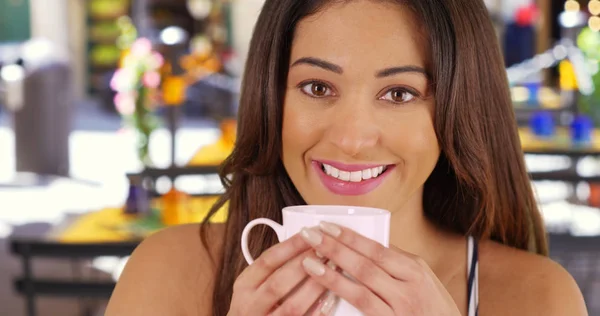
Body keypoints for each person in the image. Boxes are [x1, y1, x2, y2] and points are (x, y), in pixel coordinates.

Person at [105, 0, 588, 315]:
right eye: (317, 87)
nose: (352, 139)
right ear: (272, 99)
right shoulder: (168, 272)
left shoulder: (538, 298)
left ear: (458, 110)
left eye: (399, 93)